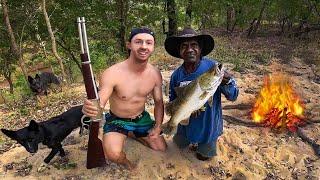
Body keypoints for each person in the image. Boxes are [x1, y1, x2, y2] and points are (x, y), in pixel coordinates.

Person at [82, 27, 167, 170]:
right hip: (117, 120)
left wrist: (158, 126)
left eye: (148, 43)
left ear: (153, 47)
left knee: (161, 148)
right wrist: (91, 108)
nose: (143, 46)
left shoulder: (155, 74)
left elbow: (159, 102)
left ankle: (133, 133)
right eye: (138, 42)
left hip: (141, 119)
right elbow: (100, 101)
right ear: (129, 45)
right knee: (114, 155)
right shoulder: (112, 73)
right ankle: (129, 165)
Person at [164, 27, 239, 161]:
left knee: (203, 156)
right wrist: (182, 111)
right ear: (179, 51)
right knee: (179, 144)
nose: (189, 49)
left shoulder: (213, 67)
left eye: (194, 45)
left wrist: (227, 83)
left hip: (208, 126)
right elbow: (173, 100)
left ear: (200, 49)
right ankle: (180, 133)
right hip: (185, 125)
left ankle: (205, 145)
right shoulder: (176, 75)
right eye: (184, 46)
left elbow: (233, 96)